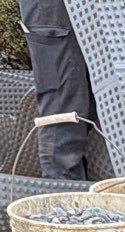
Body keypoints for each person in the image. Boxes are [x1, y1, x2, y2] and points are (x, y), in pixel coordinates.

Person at [17, 0, 93, 182]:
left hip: (66, 12)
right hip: (52, 12)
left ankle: (81, 188)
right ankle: (61, 190)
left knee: (87, 105)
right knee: (63, 109)